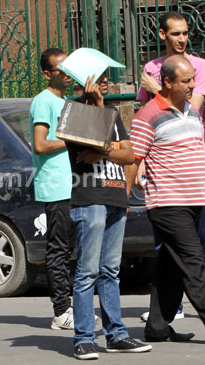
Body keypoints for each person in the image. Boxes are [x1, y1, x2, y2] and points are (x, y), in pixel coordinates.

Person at [130, 55, 205, 343]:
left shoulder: (190, 110)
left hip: (194, 200)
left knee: (171, 266)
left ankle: (156, 327)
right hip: (167, 202)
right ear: (167, 82)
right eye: (186, 80)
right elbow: (133, 158)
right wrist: (124, 197)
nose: (193, 85)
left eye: (192, 78)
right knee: (193, 260)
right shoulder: (148, 114)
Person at [136, 11, 205, 322]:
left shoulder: (200, 66)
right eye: (175, 33)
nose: (182, 39)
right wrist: (142, 162)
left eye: (185, 33)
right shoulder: (151, 68)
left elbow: (190, 108)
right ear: (162, 35)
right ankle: (171, 313)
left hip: (193, 164)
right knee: (169, 248)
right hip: (164, 168)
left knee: (204, 239)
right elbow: (147, 115)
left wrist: (156, 88)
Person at [67, 71, 152, 360]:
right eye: (98, 78)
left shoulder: (112, 113)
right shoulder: (74, 112)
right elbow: (91, 143)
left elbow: (128, 155)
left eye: (106, 78)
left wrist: (105, 152)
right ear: (83, 82)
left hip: (116, 197)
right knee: (87, 271)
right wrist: (99, 113)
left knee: (111, 272)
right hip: (90, 199)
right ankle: (83, 338)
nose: (105, 82)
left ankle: (115, 334)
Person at [30, 48, 75, 330]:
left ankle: (72, 307)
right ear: (48, 74)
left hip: (73, 183)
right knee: (58, 248)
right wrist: (73, 141)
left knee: (72, 247)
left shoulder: (67, 101)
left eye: (68, 69)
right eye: (61, 70)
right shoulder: (43, 102)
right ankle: (60, 311)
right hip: (54, 185)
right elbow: (40, 145)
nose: (66, 74)